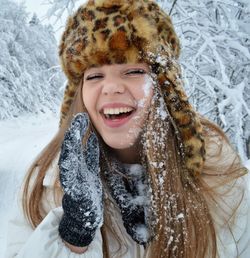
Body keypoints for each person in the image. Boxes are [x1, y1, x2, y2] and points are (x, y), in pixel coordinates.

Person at [5, 0, 250, 257]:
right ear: (79, 94)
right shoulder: (45, 184)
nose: (111, 87)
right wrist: (73, 237)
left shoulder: (221, 176)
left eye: (133, 71)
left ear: (166, 87)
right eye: (95, 76)